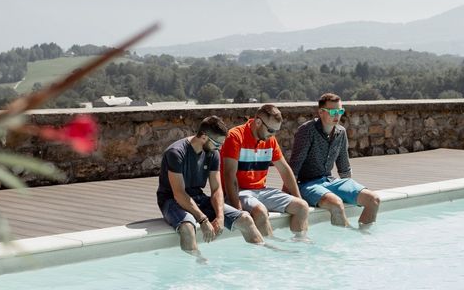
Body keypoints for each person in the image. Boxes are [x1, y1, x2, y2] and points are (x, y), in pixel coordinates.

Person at [157, 116, 264, 257]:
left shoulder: (213, 153)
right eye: (218, 144)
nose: (219, 148)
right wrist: (203, 219)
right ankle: (197, 267)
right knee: (188, 228)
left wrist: (220, 216)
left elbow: (216, 189)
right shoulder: (176, 153)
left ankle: (261, 262)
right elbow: (179, 194)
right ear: (203, 137)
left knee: (246, 220)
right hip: (172, 200)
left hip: (198, 197)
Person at [289, 93, 380, 227]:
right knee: (336, 204)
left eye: (340, 111)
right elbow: (293, 169)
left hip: (330, 181)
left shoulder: (341, 132)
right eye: (333, 111)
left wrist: (350, 190)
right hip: (307, 184)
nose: (337, 115)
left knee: (374, 200)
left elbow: (344, 167)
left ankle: (364, 239)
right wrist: (289, 197)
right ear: (321, 112)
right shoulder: (306, 131)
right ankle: (347, 241)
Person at [221, 104, 309, 239]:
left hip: (262, 191)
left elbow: (285, 170)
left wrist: (298, 197)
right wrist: (237, 210)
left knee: (302, 207)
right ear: (257, 122)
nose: (273, 135)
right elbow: (229, 176)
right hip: (240, 192)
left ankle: (300, 247)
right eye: (270, 130)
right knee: (260, 211)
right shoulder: (235, 136)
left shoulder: (270, 139)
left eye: (276, 131)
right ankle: (271, 251)